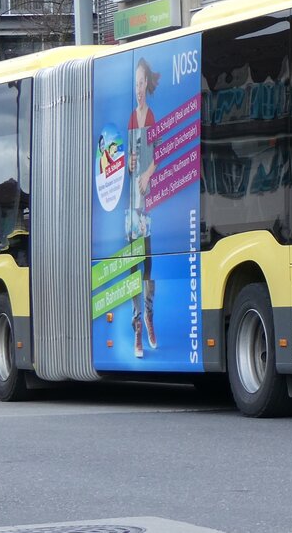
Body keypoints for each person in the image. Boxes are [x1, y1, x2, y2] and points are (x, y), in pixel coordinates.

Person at [127, 57, 160, 358]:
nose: (138, 89)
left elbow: (158, 155)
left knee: (147, 266)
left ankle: (149, 316)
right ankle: (137, 325)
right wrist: (131, 165)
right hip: (131, 206)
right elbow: (126, 162)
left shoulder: (150, 117)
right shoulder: (130, 118)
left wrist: (147, 173)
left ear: (147, 84)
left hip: (145, 204)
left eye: (141, 83)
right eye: (135, 84)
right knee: (133, 267)